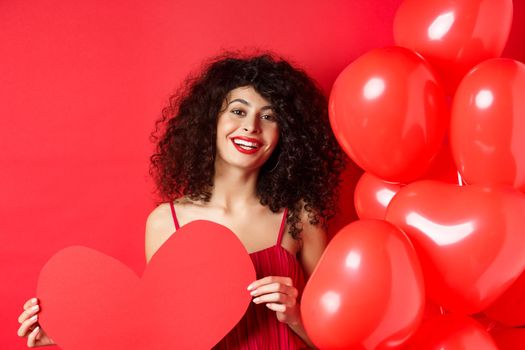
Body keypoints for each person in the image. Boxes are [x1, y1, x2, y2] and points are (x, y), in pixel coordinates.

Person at [17, 53, 346, 348]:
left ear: (286, 134)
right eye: (237, 111)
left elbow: (337, 341)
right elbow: (157, 339)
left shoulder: (301, 217)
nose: (251, 127)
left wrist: (296, 317)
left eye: (269, 117)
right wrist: (70, 335)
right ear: (210, 122)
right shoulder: (165, 221)